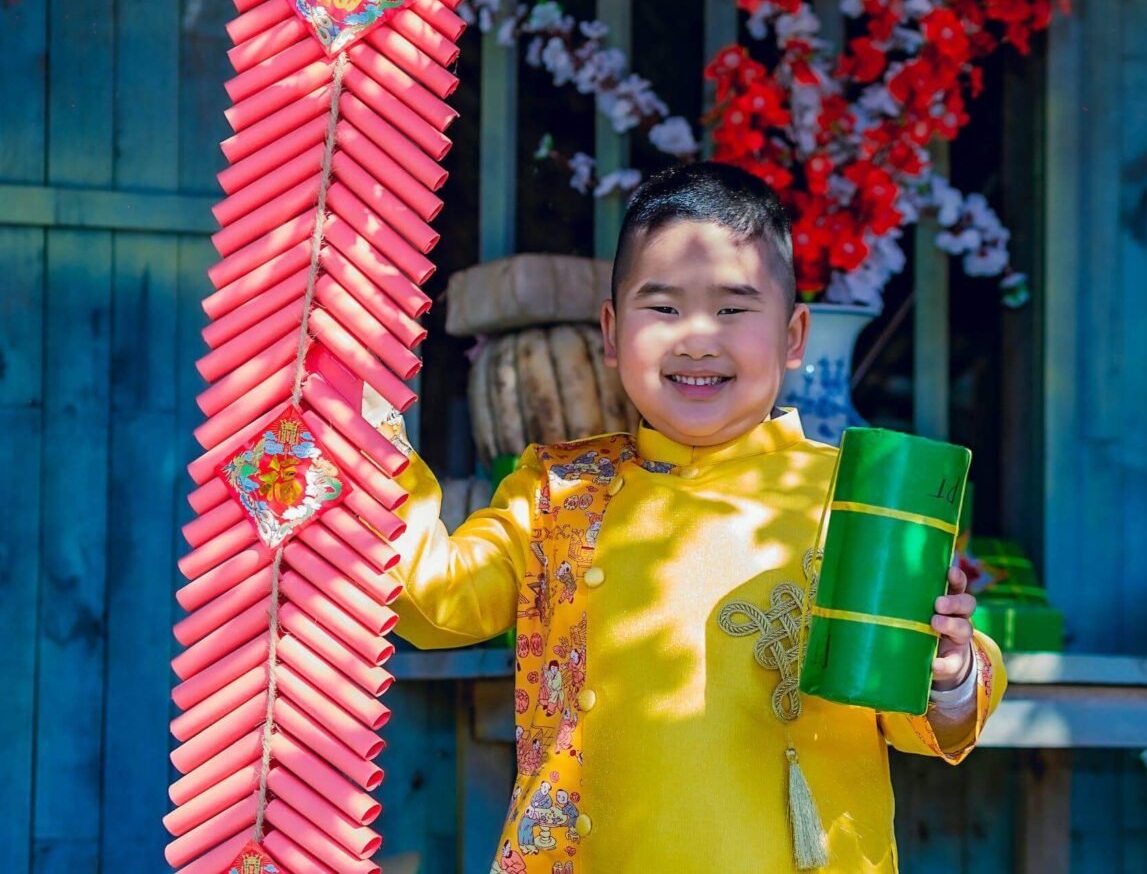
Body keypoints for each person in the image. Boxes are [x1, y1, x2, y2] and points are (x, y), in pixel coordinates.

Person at [392, 161, 1006, 872]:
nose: (697, 338)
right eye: (664, 308)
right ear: (613, 332)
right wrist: (366, 446)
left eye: (734, 309)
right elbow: (436, 601)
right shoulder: (558, 492)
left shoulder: (856, 500)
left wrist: (951, 670)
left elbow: (921, 722)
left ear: (794, 335)